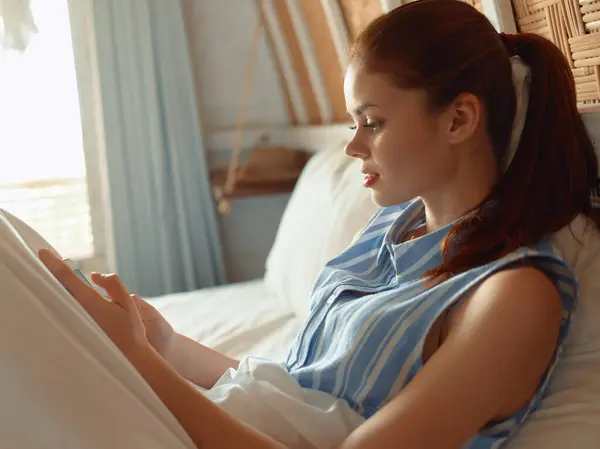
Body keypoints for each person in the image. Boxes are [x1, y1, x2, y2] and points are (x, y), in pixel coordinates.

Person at [34, 0, 598, 448]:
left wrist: (138, 362)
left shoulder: (514, 295)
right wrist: (165, 345)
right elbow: (301, 395)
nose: (352, 146)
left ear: (459, 118)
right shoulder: (389, 230)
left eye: (372, 122)